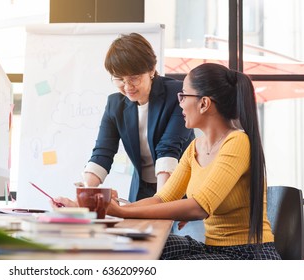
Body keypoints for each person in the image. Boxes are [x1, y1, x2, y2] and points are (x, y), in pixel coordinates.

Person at [106, 63, 281, 260]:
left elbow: (199, 208)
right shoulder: (194, 148)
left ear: (204, 103)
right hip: (214, 249)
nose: (179, 103)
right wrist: (114, 208)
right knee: (141, 243)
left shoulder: (237, 142)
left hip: (247, 255)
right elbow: (162, 198)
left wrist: (122, 212)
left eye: (183, 96)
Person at [54, 33, 194, 206]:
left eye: (134, 78)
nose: (127, 87)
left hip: (183, 188)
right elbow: (102, 153)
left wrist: (161, 203)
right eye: (119, 79)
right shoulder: (115, 104)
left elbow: (169, 148)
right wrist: (80, 200)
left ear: (151, 70)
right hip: (142, 190)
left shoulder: (176, 94)